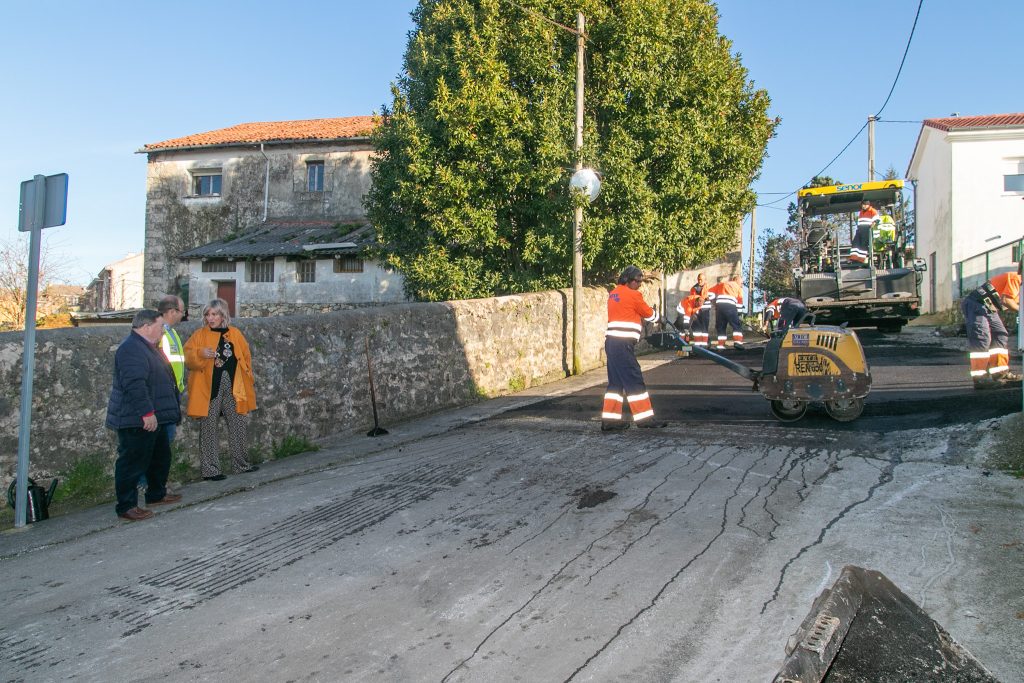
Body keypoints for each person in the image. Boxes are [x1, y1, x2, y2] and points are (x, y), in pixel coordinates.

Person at [106, 309, 183, 521]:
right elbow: (134, 384)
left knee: (159, 457)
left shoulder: (146, 347)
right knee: (132, 462)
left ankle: (156, 494)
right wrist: (147, 413)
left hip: (154, 416)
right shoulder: (131, 349)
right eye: (160, 327)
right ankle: (126, 506)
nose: (163, 332)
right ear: (146, 327)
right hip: (136, 417)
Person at [184, 299, 260, 480]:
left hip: (234, 387)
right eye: (207, 314)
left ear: (223, 315)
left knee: (238, 424)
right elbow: (188, 357)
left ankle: (241, 464)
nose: (210, 318)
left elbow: (246, 357)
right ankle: (211, 470)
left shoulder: (235, 334)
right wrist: (200, 354)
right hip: (209, 388)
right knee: (209, 428)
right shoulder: (199, 335)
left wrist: (248, 375)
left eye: (214, 314)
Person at [601, 266, 666, 431]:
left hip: (611, 343)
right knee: (634, 378)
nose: (639, 284)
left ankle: (609, 421)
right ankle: (644, 419)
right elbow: (648, 313)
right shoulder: (633, 295)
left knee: (615, 383)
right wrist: (661, 318)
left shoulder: (614, 293)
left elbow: (626, 312)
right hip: (623, 344)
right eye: (637, 281)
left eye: (641, 281)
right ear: (627, 279)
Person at [961, 264, 1022, 389]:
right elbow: (1007, 301)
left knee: (1001, 334)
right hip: (976, 304)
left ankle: (1000, 373)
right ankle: (980, 378)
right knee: (982, 339)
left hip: (989, 307)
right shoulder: (1016, 278)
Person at [708, 275, 745, 349]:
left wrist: (714, 303)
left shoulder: (721, 284)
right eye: (741, 282)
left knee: (721, 326)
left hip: (720, 306)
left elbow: (709, 293)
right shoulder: (738, 287)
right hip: (730, 305)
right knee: (736, 325)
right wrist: (739, 313)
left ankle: (721, 345)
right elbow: (739, 301)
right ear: (737, 280)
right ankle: (738, 342)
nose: (742, 284)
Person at [850, 200, 878, 266]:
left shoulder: (872, 210)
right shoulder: (861, 212)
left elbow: (876, 220)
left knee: (863, 245)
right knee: (855, 243)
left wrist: (871, 227)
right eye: (862, 205)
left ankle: (861, 260)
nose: (863, 206)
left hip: (867, 230)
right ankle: (854, 258)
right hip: (860, 230)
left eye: (865, 205)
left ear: (868, 205)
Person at [689, 273, 712, 348]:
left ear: (705, 280)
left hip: (705, 310)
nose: (699, 281)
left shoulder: (708, 288)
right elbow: (692, 299)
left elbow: (710, 297)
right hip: (697, 310)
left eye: (701, 279)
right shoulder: (693, 288)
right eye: (699, 279)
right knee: (697, 328)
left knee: (704, 327)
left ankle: (705, 344)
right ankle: (698, 344)